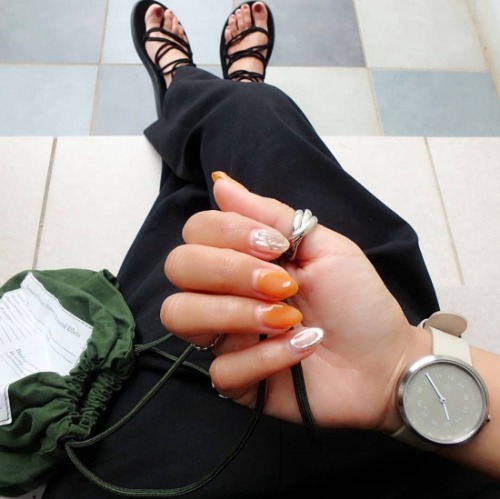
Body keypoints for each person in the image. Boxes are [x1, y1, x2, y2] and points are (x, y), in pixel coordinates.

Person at [41, 1, 500, 498]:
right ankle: (222, 95)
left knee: (209, 192)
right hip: (406, 440)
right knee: (239, 165)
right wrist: (395, 369)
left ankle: (190, 89)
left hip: (152, 450)